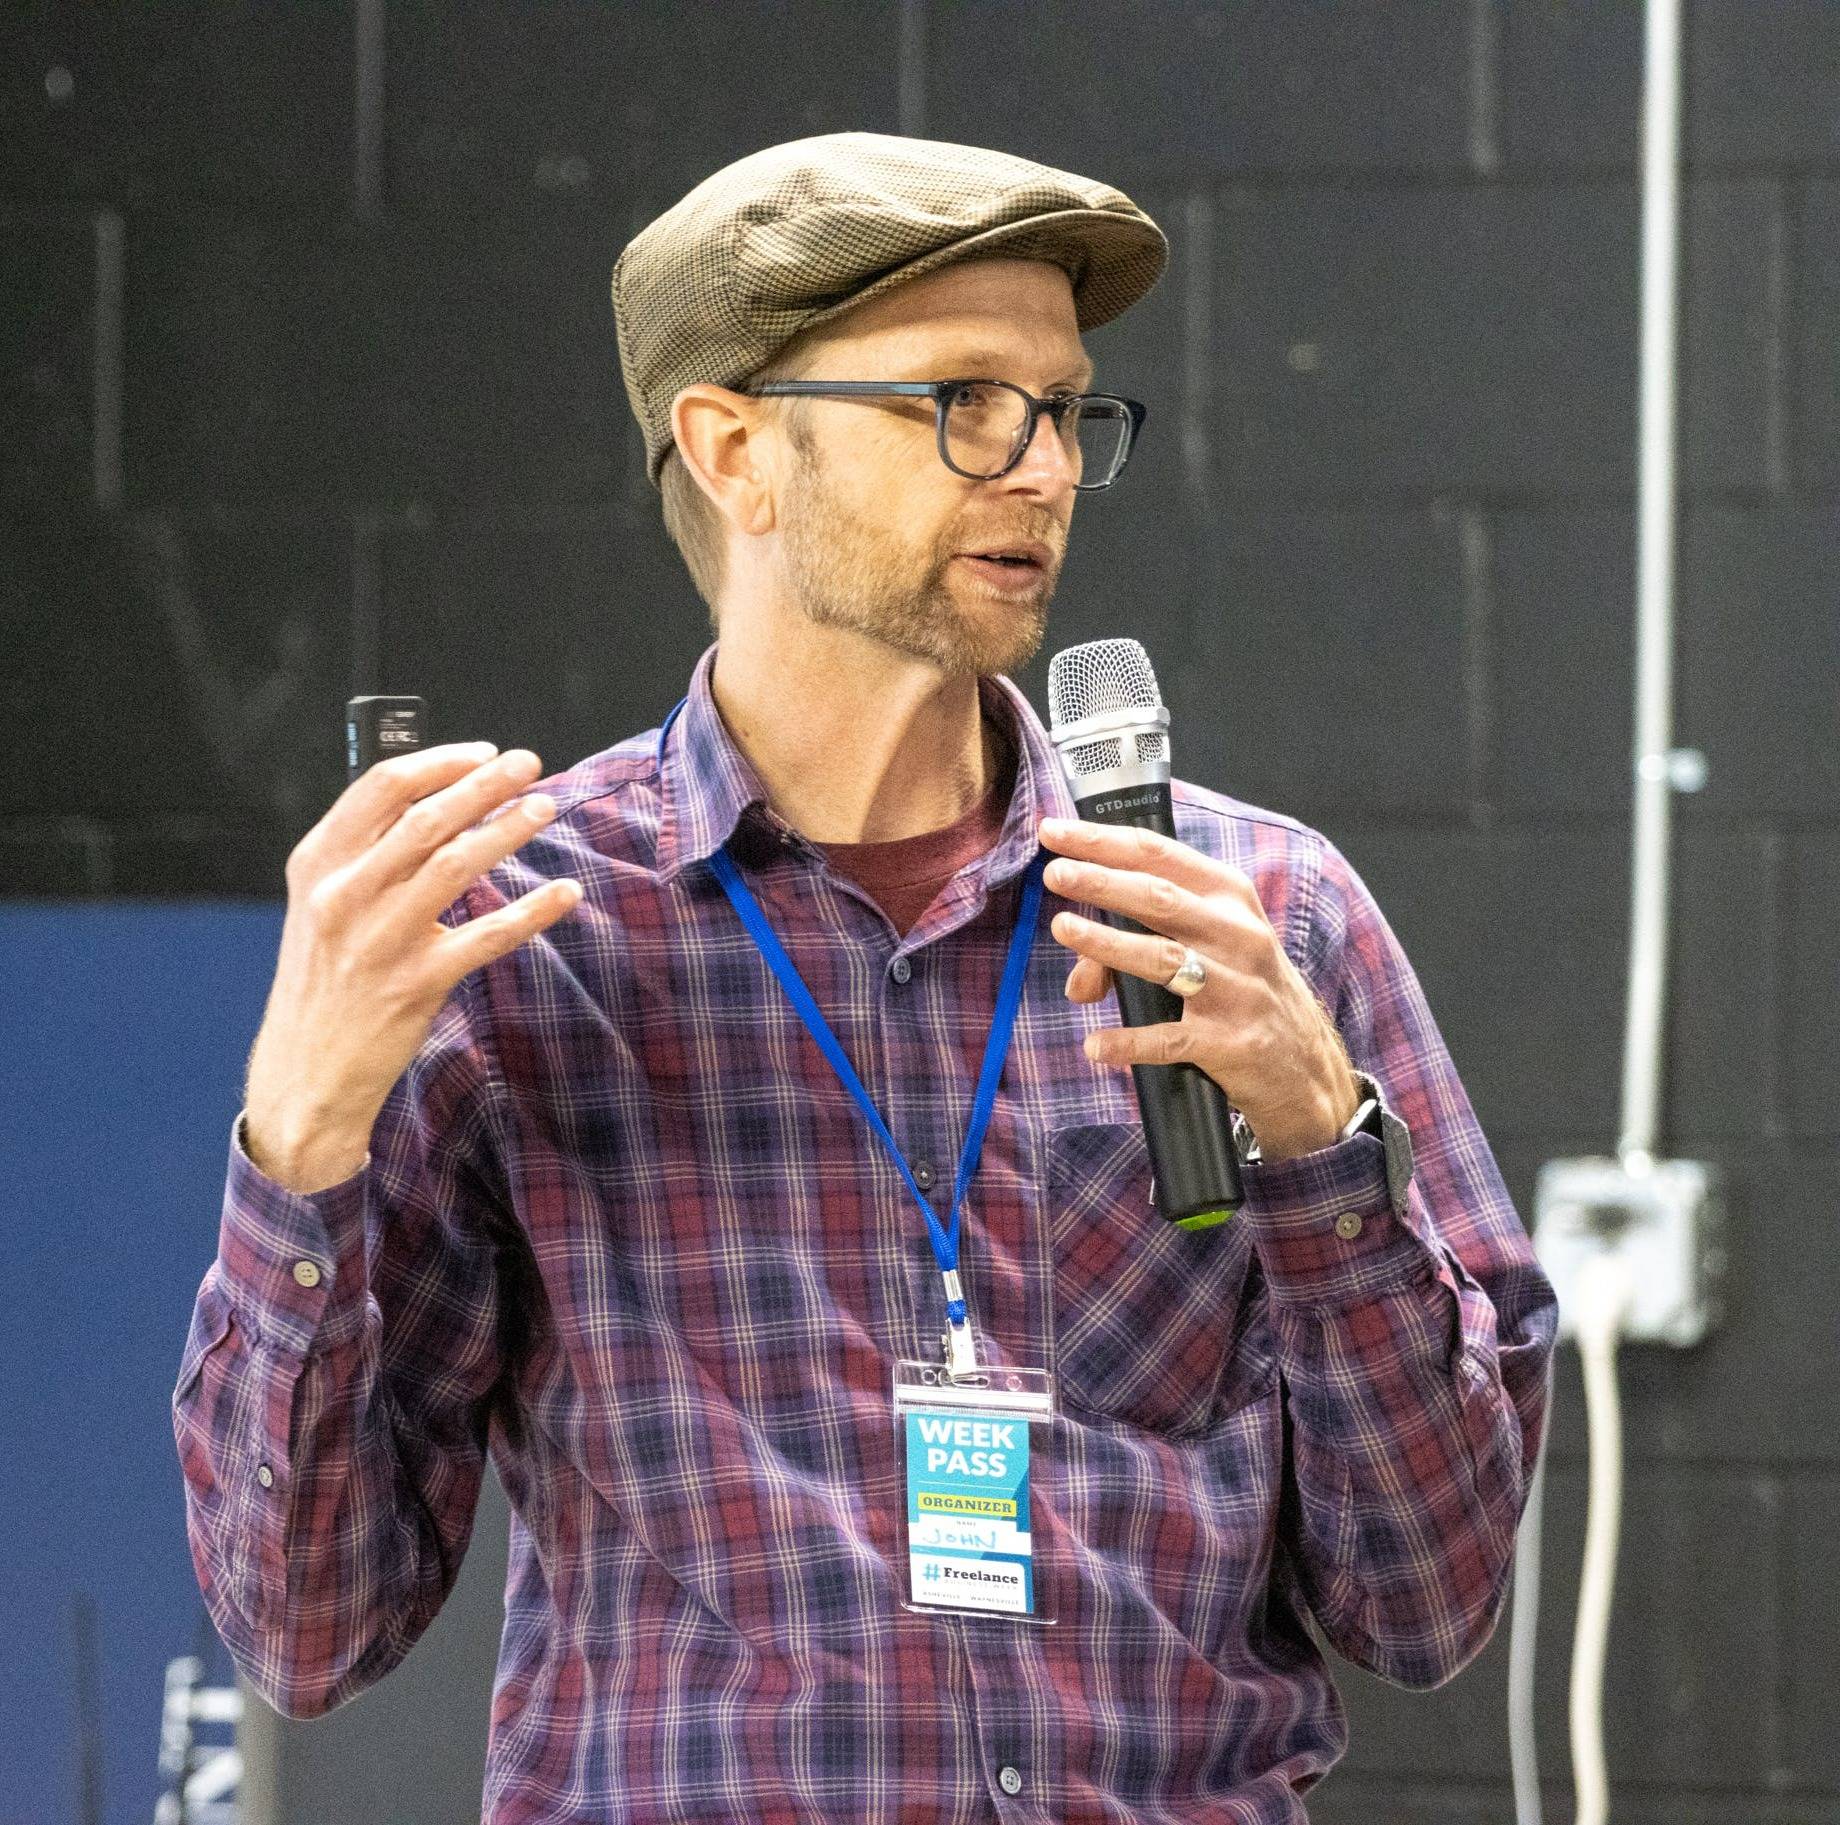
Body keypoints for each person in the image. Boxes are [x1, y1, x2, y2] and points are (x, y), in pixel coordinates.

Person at [173, 130, 1558, 1823]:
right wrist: (299, 1140)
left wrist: (1322, 1158)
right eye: (967, 400)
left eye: (1065, 408)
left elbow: (1430, 1607)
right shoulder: (522, 935)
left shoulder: (1259, 918)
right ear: (738, 446)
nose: (1043, 466)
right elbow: (307, 1632)